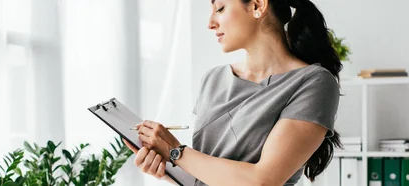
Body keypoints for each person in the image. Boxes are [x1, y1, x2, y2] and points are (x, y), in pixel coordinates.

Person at [124, 0, 343, 185]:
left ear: (257, 5)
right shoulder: (213, 79)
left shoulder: (313, 82)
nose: (210, 23)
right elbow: (204, 177)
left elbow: (264, 180)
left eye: (220, 8)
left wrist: (175, 151)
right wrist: (167, 167)